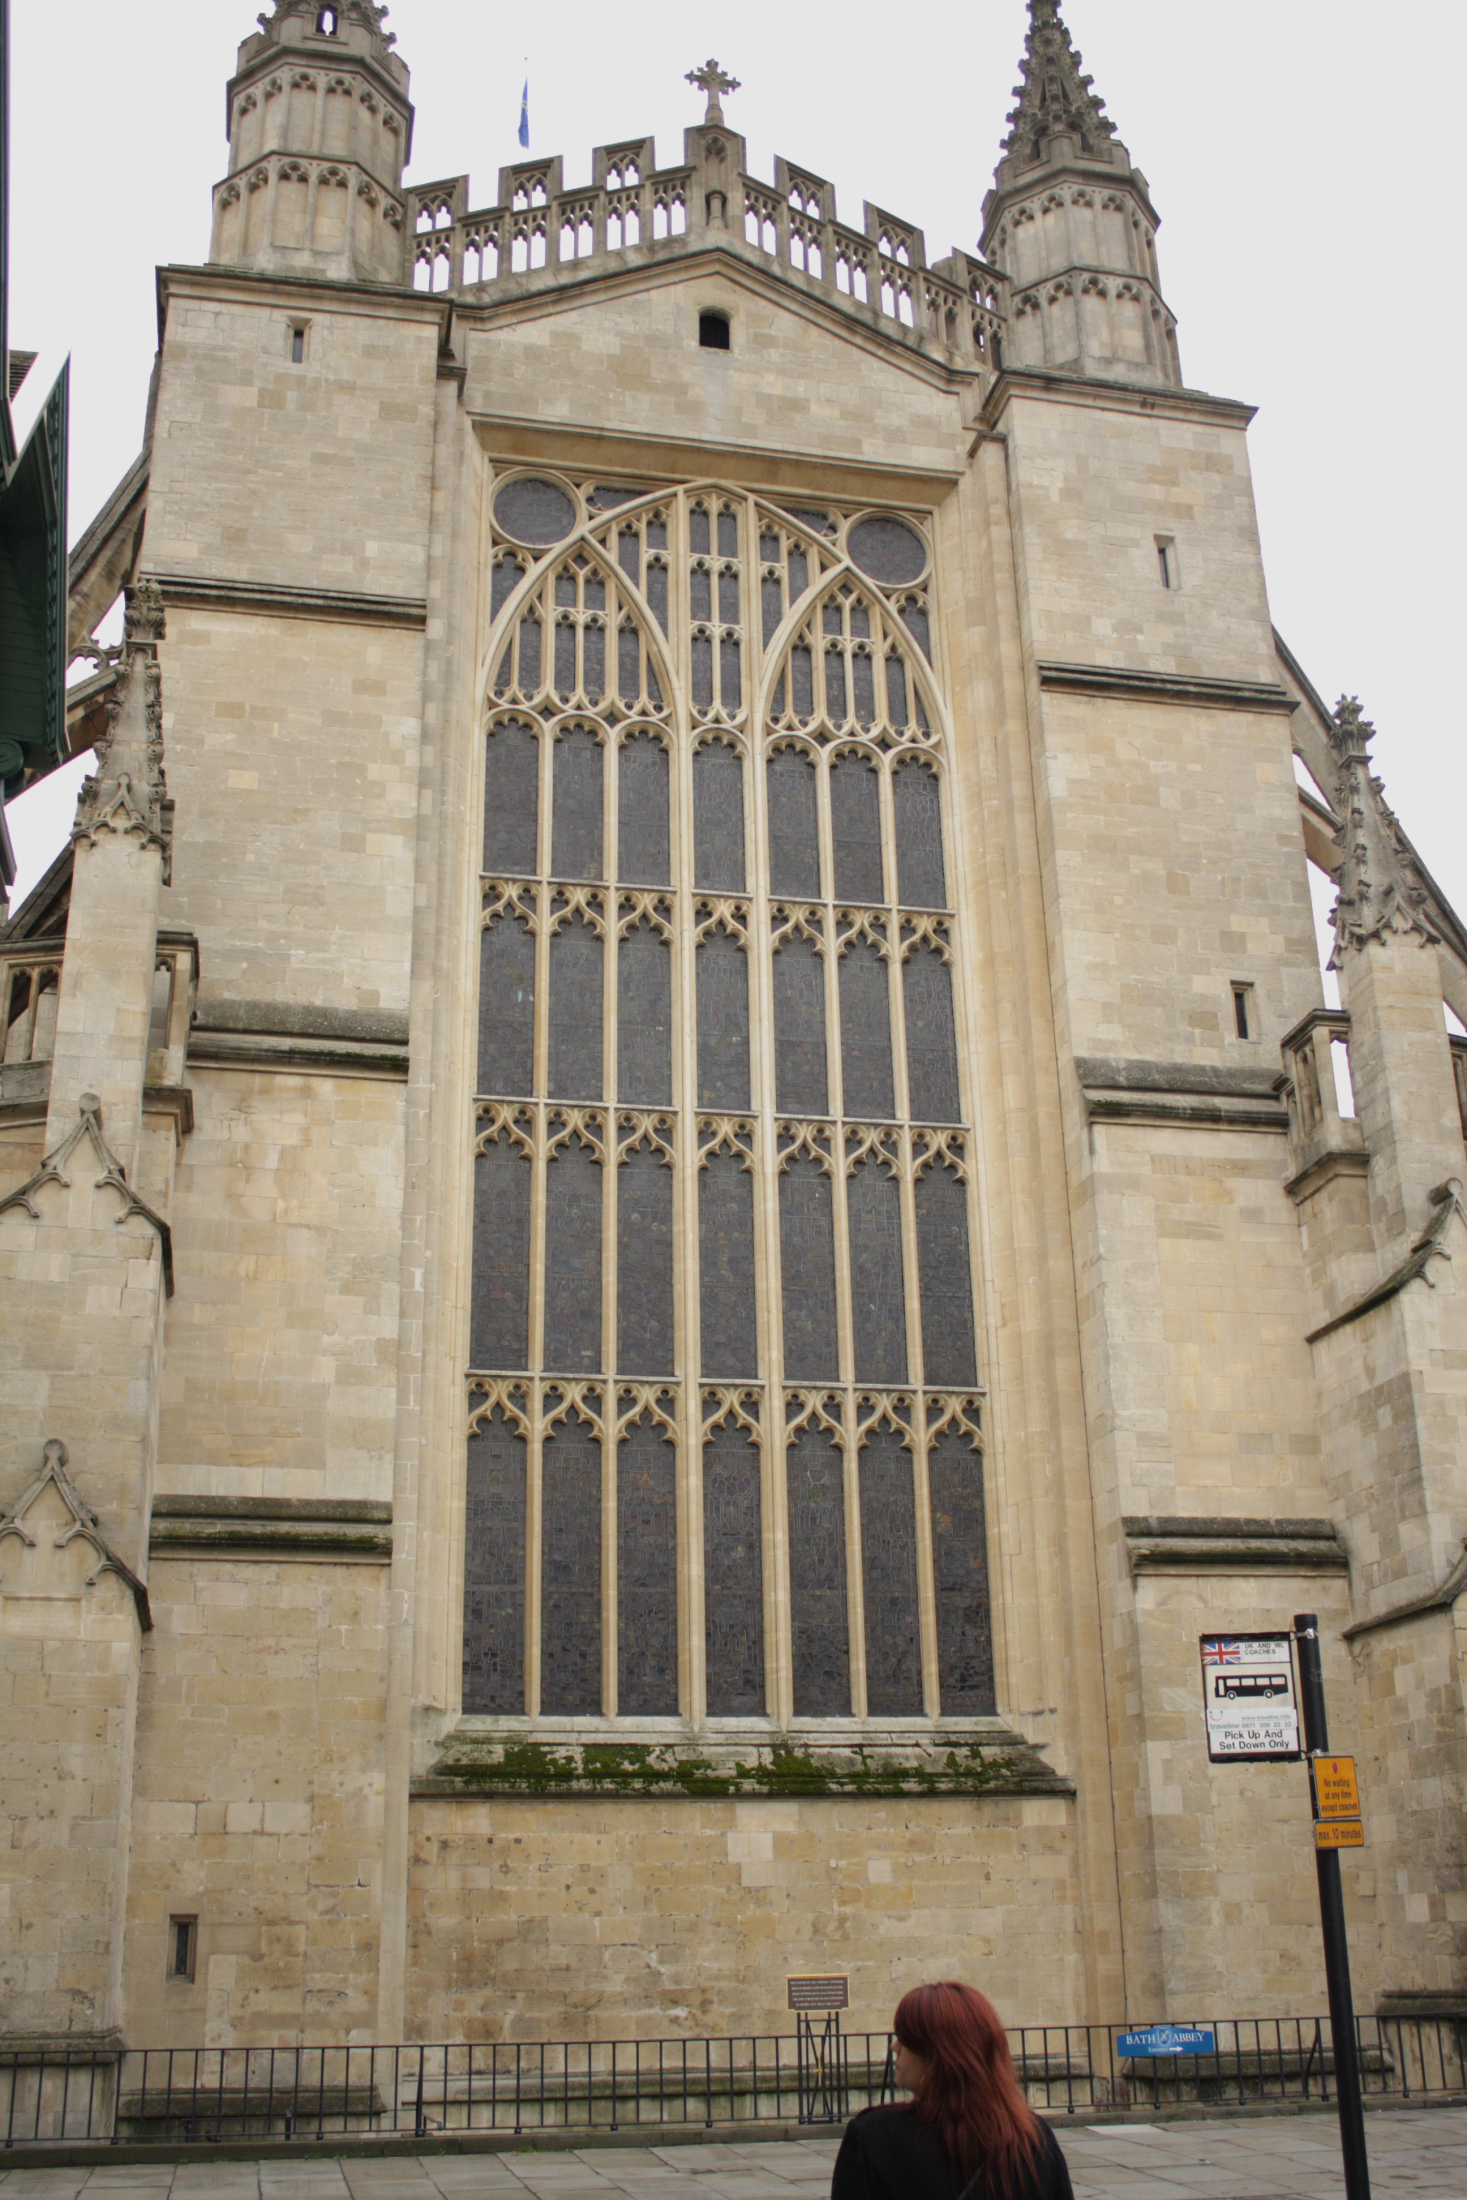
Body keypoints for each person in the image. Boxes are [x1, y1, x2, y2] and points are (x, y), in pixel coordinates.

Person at [830, 1981, 1073, 2199]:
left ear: (936, 2056)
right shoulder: (1033, 2138)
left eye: (905, 2037)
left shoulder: (875, 2137)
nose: (895, 2046)